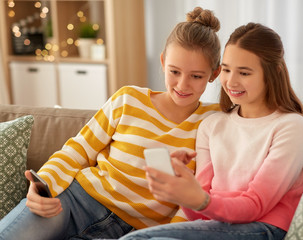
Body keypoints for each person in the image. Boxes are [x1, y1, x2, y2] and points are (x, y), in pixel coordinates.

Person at [0, 7, 222, 240]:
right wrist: (43, 185)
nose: (182, 84)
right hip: (76, 202)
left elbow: (198, 195)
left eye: (196, 76)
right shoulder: (128, 99)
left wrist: (172, 233)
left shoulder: (213, 123)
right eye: (174, 71)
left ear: (214, 74)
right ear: (163, 61)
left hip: (137, 232)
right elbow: (78, 150)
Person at [119, 22, 303, 240]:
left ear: (274, 72)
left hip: (263, 228)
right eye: (226, 69)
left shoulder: (291, 127)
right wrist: (185, 190)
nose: (231, 81)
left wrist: (200, 200)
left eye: (244, 72)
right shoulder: (212, 126)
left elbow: (255, 205)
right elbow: (198, 214)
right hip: (216, 227)